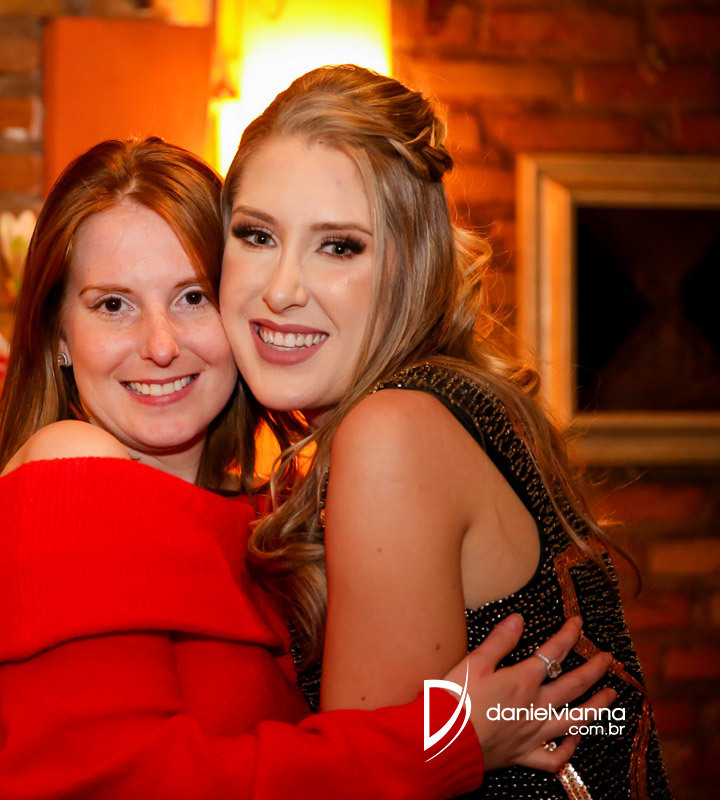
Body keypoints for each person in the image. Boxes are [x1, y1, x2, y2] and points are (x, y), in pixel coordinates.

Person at [0, 137, 615, 800]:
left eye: (193, 297)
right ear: (59, 335)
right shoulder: (67, 466)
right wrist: (447, 741)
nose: (161, 345)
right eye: (113, 305)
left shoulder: (265, 522)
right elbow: (124, 786)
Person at [220, 65, 673, 799]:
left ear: (413, 266)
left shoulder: (392, 432)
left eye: (340, 246)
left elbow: (358, 786)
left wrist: (449, 734)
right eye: (256, 234)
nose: (280, 289)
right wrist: (461, 730)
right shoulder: (451, 402)